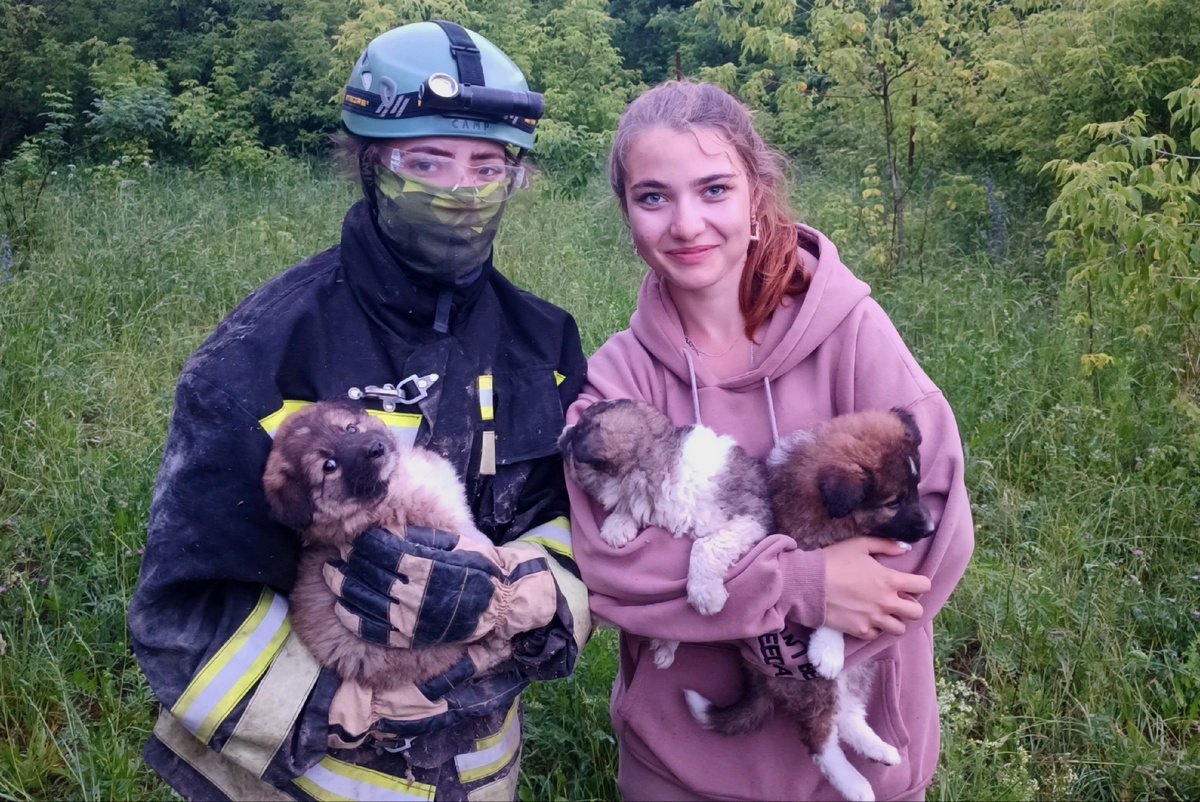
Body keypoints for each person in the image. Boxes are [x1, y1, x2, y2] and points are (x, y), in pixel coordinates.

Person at [128, 20, 590, 801]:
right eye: (429, 160)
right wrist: (333, 704)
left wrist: (532, 590)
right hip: (291, 779)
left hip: (480, 775)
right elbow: (185, 604)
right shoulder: (261, 352)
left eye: (487, 165)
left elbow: (578, 521)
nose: (459, 189)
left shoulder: (543, 343)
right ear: (371, 162)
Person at [564, 80, 974, 801]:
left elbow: (938, 526)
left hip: (863, 769)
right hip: (681, 771)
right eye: (653, 197)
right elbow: (607, 564)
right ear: (627, 212)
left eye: (715, 189)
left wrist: (833, 642)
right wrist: (802, 588)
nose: (687, 223)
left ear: (758, 193)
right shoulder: (617, 377)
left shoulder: (851, 333)